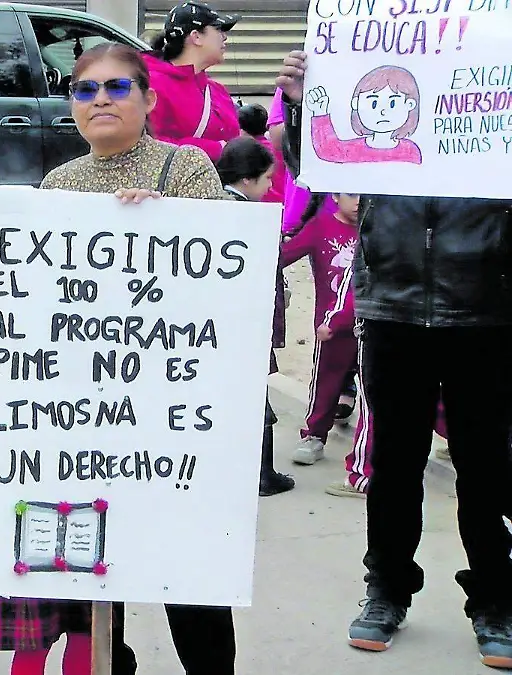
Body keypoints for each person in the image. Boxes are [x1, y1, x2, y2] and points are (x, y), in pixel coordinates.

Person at [0, 42, 236, 675]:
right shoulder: (59, 184)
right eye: (86, 90)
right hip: (86, 417)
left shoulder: (184, 168)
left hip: (169, 412)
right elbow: (37, 308)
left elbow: (225, 268)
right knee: (95, 576)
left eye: (117, 87)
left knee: (186, 574)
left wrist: (167, 221)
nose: (101, 100)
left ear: (148, 98)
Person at [277, 49, 512, 668]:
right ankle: (387, 588)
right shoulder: (393, 62)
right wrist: (303, 106)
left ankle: (495, 598)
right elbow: (316, 170)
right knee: (395, 464)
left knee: (486, 469)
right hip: (393, 304)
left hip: (485, 306)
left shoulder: (492, 70)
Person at [215, 136, 294, 497]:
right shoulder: (247, 217)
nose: (270, 186)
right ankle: (263, 474)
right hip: (244, 325)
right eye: (266, 179)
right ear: (247, 179)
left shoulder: (211, 207)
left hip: (222, 324)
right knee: (255, 400)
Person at [278, 192, 360, 467]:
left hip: (372, 322)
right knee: (326, 382)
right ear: (335, 195)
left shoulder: (378, 229)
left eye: (364, 194)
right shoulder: (321, 226)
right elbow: (284, 255)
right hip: (331, 326)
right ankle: (314, 435)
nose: (358, 201)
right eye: (351, 194)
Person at [144, 0, 241, 163]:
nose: (225, 37)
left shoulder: (218, 90)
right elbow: (151, 144)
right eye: (218, 29)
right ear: (196, 37)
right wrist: (218, 149)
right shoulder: (153, 84)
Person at [236, 103, 284, 203]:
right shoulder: (279, 148)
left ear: (242, 130)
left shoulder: (245, 153)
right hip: (283, 200)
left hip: (262, 203)